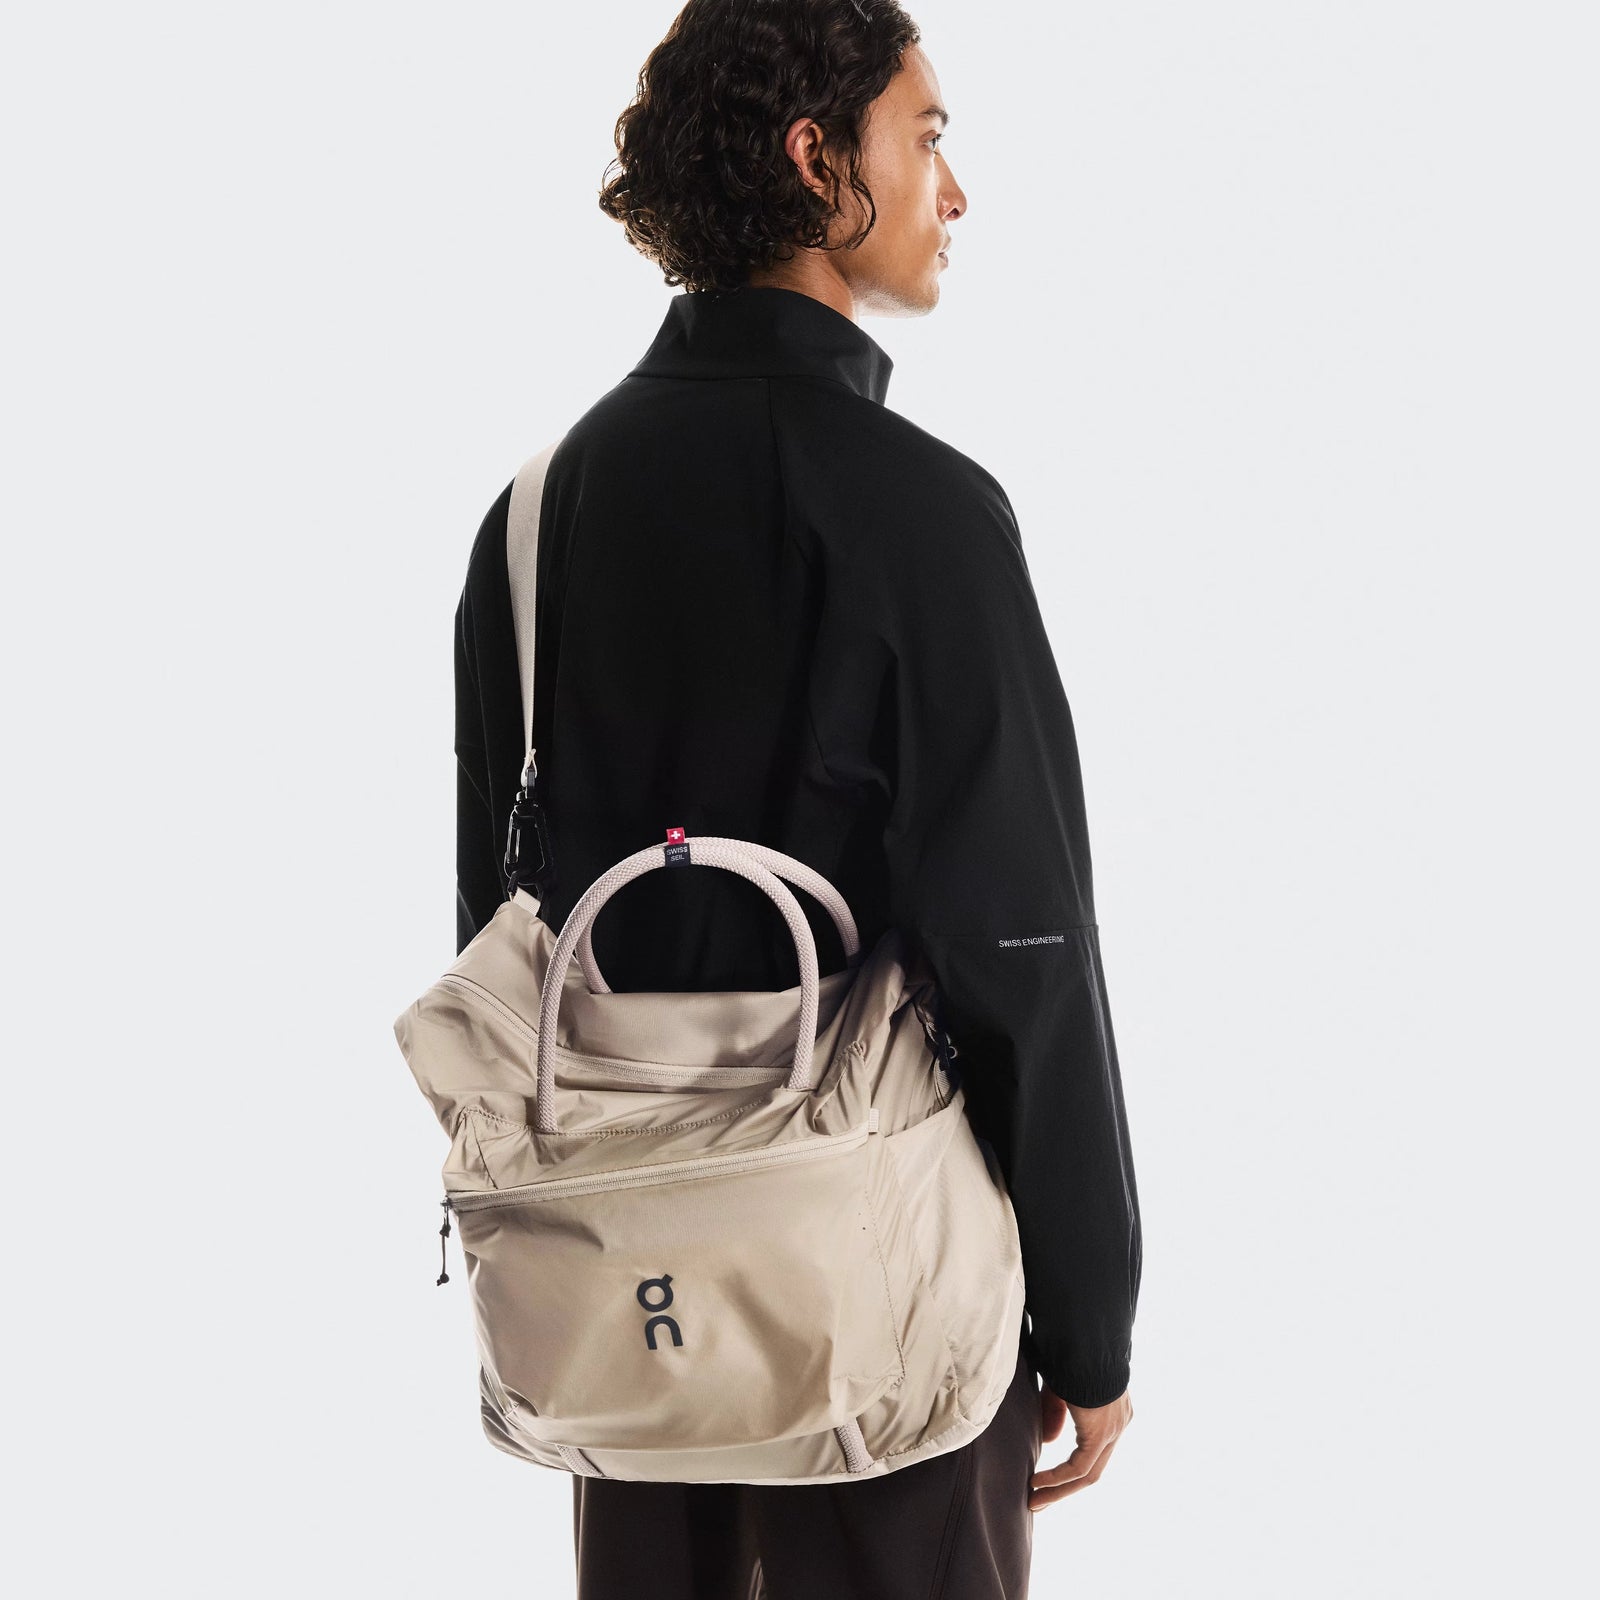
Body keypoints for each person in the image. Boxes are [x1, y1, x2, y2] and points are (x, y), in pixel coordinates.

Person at [452, 3, 1142, 1594]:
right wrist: (1092, 1318)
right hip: (883, 1320)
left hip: (629, 1328)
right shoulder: (926, 519)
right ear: (817, 156)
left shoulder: (532, 521)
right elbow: (1024, 957)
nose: (954, 190)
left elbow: (499, 943)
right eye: (928, 136)